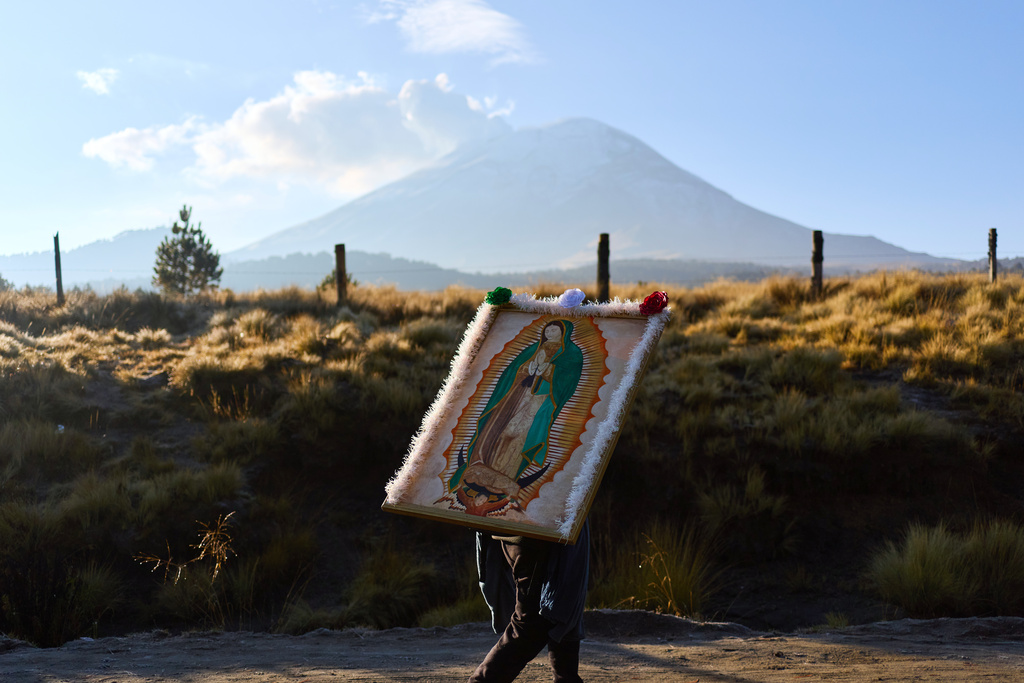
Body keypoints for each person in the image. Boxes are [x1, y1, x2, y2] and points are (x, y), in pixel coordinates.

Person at [468, 520, 590, 683]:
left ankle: (567, 679)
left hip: (534, 530)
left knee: (566, 606)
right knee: (531, 624)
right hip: (535, 534)